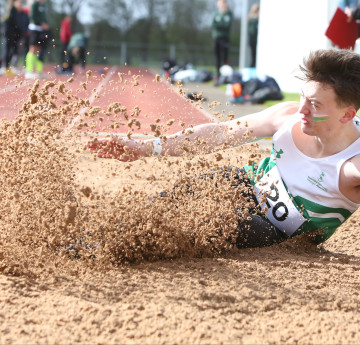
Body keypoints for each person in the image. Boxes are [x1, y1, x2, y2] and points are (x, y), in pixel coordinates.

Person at [88, 49, 360, 249]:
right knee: (190, 189)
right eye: (302, 97)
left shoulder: (352, 167)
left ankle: (115, 247)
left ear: (347, 115)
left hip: (275, 232)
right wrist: (148, 147)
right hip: (246, 183)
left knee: (211, 222)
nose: (301, 110)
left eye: (315, 105)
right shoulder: (288, 116)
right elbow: (221, 133)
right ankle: (98, 234)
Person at [3, 0, 29, 76]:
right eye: (19, 2)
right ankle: (5, 68)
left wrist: (22, 33)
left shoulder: (22, 13)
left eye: (22, 2)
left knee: (15, 52)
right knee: (8, 51)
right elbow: (7, 24)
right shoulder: (10, 11)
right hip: (9, 35)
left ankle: (11, 67)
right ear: (14, 2)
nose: (21, 4)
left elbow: (24, 23)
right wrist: (10, 34)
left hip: (18, 36)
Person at [25, 0, 50, 79]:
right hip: (34, 29)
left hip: (40, 30)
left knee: (38, 50)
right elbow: (33, 16)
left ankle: (39, 72)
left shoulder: (42, 5)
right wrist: (42, 23)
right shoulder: (35, 4)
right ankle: (28, 71)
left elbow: (44, 17)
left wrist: (45, 24)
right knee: (32, 49)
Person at [211, 0, 233, 84]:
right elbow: (213, 25)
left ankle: (225, 77)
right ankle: (217, 75)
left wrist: (220, 25)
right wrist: (221, 25)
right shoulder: (216, 14)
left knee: (225, 58)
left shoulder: (229, 14)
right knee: (217, 58)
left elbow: (227, 26)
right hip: (217, 38)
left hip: (225, 38)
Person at [248, 3, 259, 68]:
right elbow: (252, 32)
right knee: (254, 58)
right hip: (253, 41)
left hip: (253, 41)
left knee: (254, 58)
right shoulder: (253, 20)